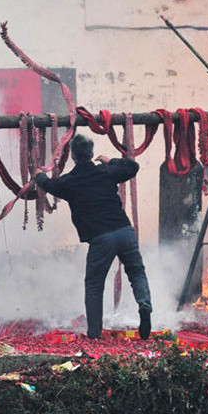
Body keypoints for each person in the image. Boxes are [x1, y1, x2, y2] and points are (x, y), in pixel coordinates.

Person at [34, 134, 153, 340]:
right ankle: (144, 303)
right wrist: (110, 160)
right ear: (90, 153)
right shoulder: (106, 172)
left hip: (101, 239)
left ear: (73, 155)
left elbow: (50, 186)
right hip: (125, 231)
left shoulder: (70, 181)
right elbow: (132, 167)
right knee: (136, 273)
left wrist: (38, 175)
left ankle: (94, 334)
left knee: (95, 285)